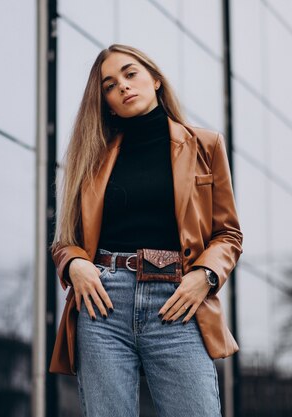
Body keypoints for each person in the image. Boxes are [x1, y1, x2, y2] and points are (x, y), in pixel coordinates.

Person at [49, 43, 243, 417]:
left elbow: (229, 234)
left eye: (130, 73)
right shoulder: (92, 156)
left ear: (155, 79)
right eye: (109, 85)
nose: (122, 86)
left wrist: (205, 276)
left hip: (178, 303)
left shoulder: (205, 146)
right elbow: (66, 242)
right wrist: (75, 265)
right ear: (106, 101)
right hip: (103, 305)